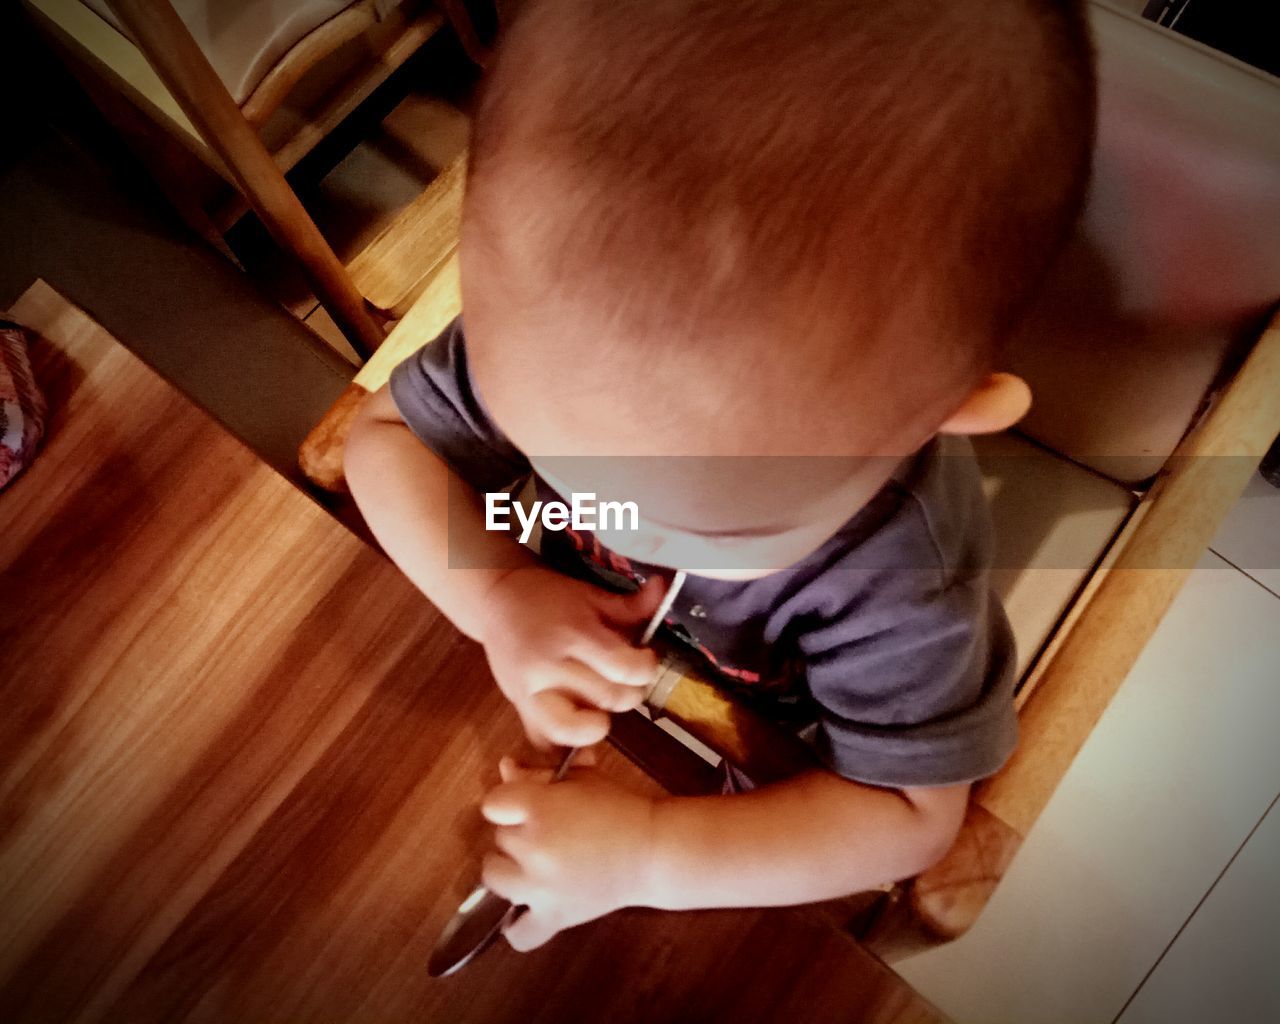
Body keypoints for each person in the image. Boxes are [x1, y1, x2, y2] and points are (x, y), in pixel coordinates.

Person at [345, 0, 1095, 951]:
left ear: (938, 416)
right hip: (567, 662)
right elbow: (384, 438)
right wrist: (495, 590)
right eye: (553, 466)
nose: (611, 525)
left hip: (770, 756)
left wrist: (654, 855)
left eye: (720, 529)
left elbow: (906, 813)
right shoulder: (561, 340)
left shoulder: (904, 574)